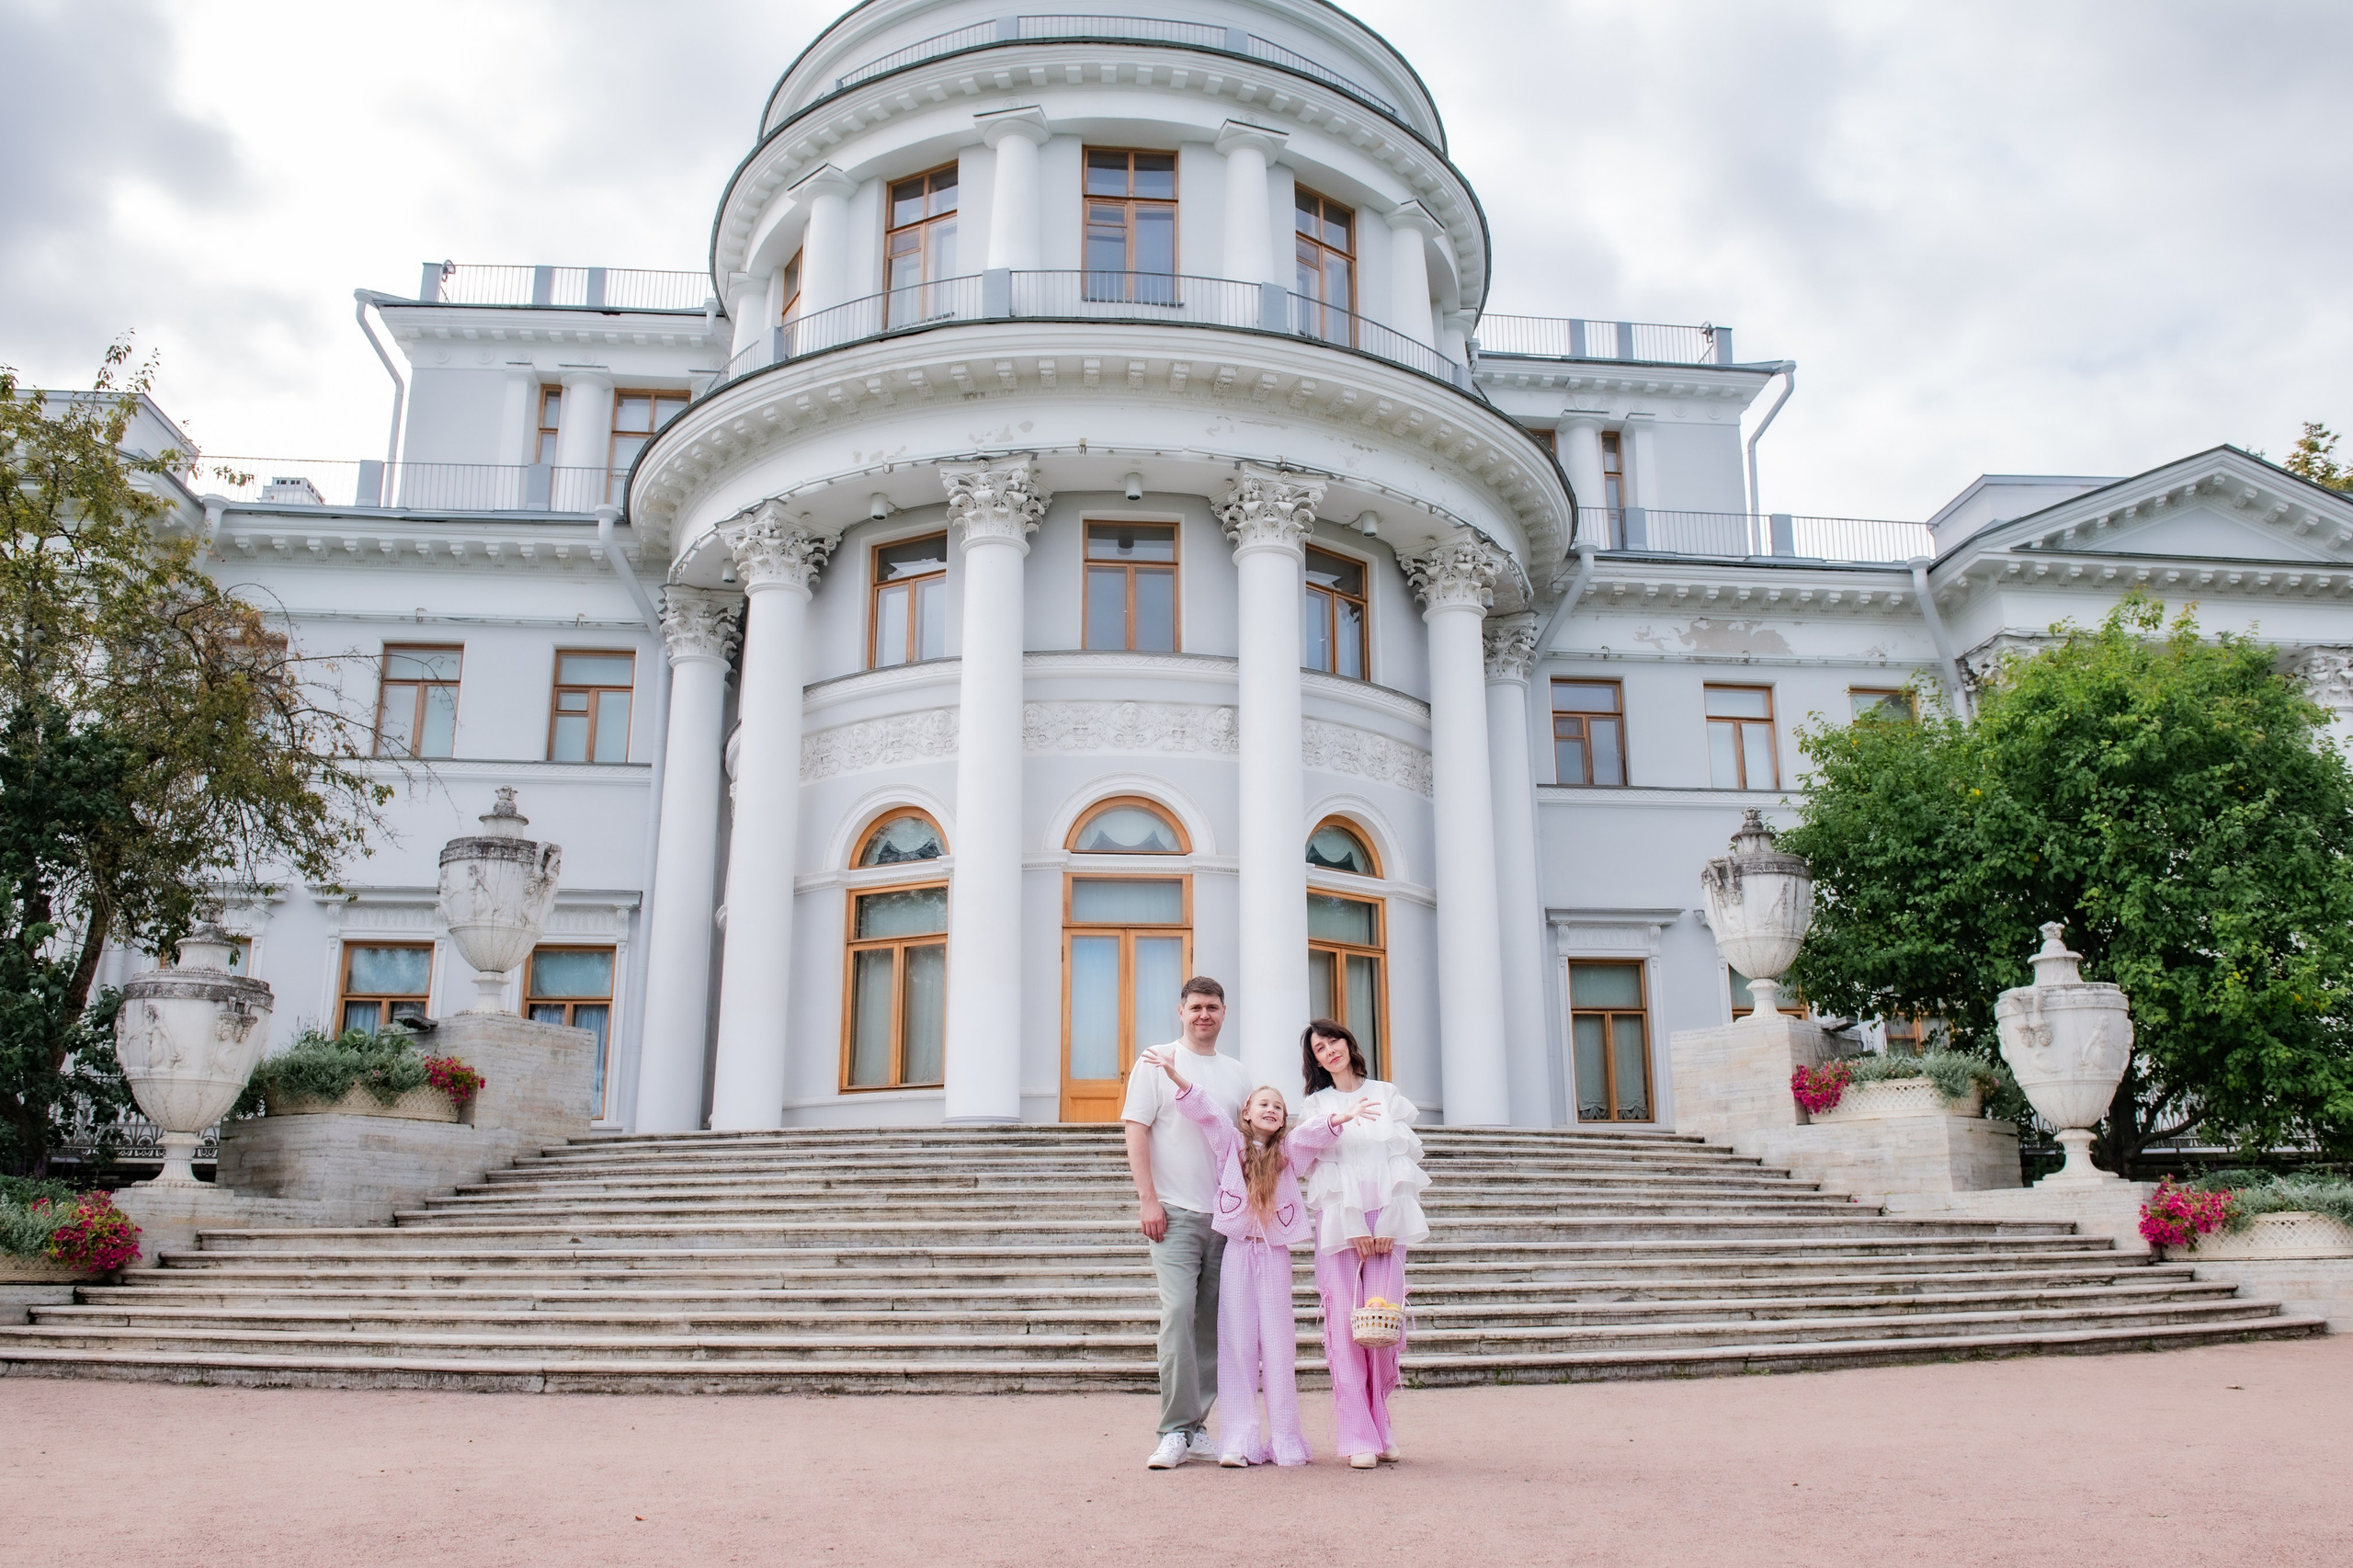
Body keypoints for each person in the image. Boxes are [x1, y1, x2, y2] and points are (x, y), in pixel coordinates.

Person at [1141, 1046, 1370, 1466]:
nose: (1272, 1110)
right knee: (1236, 1345)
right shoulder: (1230, 1146)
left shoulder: (1287, 1156)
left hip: (1274, 1257)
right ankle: (1239, 1441)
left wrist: (1339, 1117)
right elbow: (1207, 1111)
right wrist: (1176, 1077)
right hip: (1237, 1256)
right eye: (1264, 1104)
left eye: (1279, 1107)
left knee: (1280, 1348)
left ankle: (1285, 1440)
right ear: (1246, 1111)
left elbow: (1310, 1135)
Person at [1122, 975, 1255, 1471]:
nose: (1205, 1015)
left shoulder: (1238, 1074)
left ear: (1224, 1013)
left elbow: (1246, 1145)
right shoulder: (1157, 1061)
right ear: (1181, 1011)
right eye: (1196, 1006)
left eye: (1213, 1007)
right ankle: (1173, 1431)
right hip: (1174, 1214)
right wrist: (1147, 1200)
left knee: (1214, 1325)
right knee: (1178, 1314)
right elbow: (1136, 1129)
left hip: (1226, 1219)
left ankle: (1198, 1427)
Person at [1296, 1018, 1428, 1470]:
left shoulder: (1386, 1093)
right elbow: (1323, 1169)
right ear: (1314, 1061)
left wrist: (1390, 1220)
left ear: (1349, 1044)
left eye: (1333, 1040)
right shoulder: (1316, 1104)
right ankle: (1357, 1435)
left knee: (1382, 1326)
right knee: (1343, 1327)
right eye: (1319, 1048)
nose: (1328, 1050)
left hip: (1387, 1220)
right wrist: (1351, 1223)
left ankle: (1381, 1425)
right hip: (1339, 1223)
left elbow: (1402, 1162)